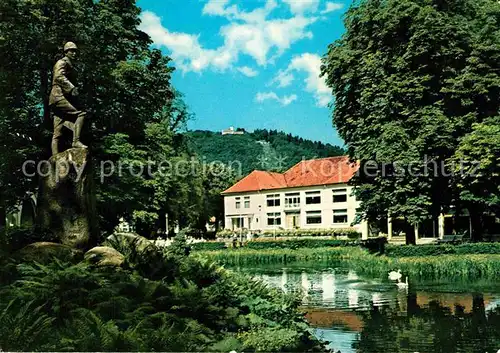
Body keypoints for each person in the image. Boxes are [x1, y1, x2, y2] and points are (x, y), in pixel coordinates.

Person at [49, 41, 87, 155]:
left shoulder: (69, 65)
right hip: (58, 96)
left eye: (75, 51)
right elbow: (58, 76)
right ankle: (76, 141)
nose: (74, 53)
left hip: (55, 98)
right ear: (66, 52)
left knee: (58, 129)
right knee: (81, 113)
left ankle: (54, 157)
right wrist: (71, 88)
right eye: (72, 51)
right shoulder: (62, 62)